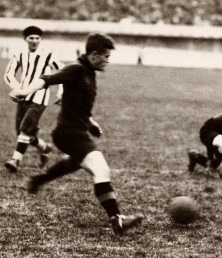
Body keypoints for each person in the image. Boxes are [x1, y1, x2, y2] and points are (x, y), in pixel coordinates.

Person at [9, 33, 144, 236]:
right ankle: (117, 219)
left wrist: (91, 123)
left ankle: (39, 180)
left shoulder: (89, 72)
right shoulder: (76, 69)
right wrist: (23, 91)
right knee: (101, 171)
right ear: (94, 54)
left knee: (76, 162)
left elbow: (77, 105)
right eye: (106, 56)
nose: (108, 61)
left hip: (76, 131)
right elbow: (47, 79)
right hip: (68, 133)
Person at [4, 25, 64, 172]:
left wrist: (61, 91)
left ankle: (15, 160)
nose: (35, 41)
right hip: (23, 96)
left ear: (41, 39)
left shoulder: (48, 55)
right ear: (25, 39)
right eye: (31, 38)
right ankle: (45, 147)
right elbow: (9, 74)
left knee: (24, 130)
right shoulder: (19, 55)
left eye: (37, 38)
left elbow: (62, 71)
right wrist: (18, 89)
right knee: (22, 133)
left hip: (40, 97)